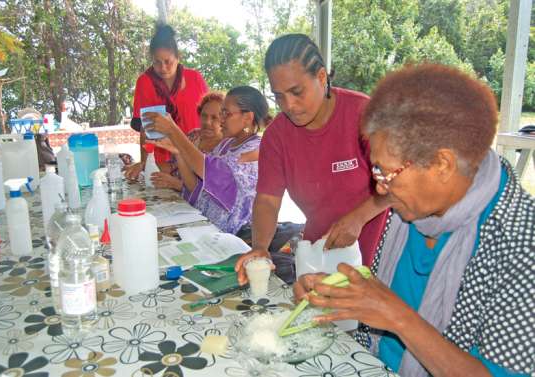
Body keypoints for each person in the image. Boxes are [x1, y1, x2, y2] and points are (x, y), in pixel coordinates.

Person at [293, 64, 534, 376]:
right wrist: (339, 297)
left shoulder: (520, 243)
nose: (379, 187)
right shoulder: (409, 211)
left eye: (384, 171)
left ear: (442, 164)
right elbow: (376, 322)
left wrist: (397, 316)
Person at [235, 33, 390, 284]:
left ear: (321, 77)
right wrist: (261, 246)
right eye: (279, 96)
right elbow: (267, 200)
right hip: (321, 253)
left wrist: (359, 217)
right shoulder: (277, 137)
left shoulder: (363, 114)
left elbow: (400, 180)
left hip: (379, 249)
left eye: (297, 92)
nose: (289, 105)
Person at [143, 86, 270, 234]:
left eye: (225, 113)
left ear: (247, 118)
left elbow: (212, 170)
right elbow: (196, 187)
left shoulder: (256, 149)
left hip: (235, 236)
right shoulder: (226, 144)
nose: (221, 119)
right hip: (207, 228)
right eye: (221, 112)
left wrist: (173, 131)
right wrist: (178, 152)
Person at [124, 23, 208, 179]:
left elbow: (211, 117)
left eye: (167, 61)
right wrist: (144, 163)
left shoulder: (195, 79)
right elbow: (145, 128)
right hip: (161, 163)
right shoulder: (145, 82)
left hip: (194, 156)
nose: (163, 68)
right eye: (157, 62)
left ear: (178, 57)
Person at [150, 91, 225, 191]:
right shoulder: (194, 136)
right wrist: (145, 166)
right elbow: (172, 166)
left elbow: (214, 191)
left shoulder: (227, 148)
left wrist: (177, 184)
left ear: (225, 119)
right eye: (204, 116)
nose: (207, 122)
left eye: (214, 117)